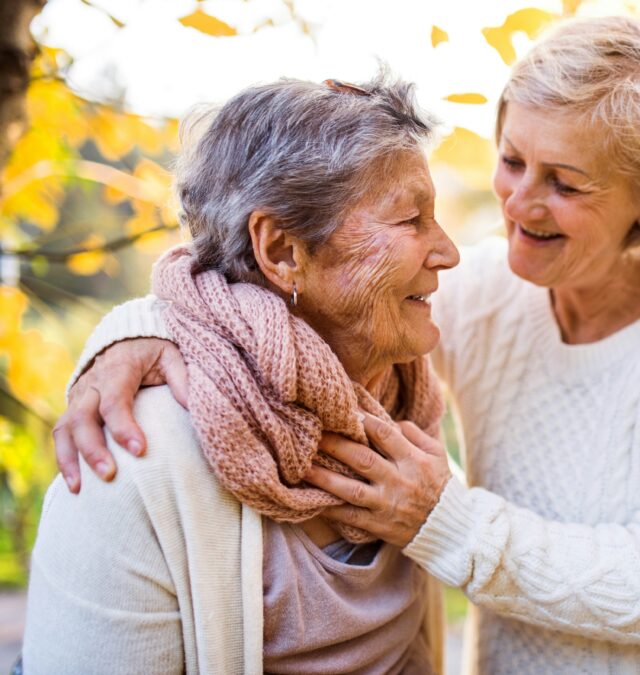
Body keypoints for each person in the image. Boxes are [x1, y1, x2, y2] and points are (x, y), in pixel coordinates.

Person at [54, 16, 640, 674]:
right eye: (511, 160)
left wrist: (444, 520)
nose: (519, 202)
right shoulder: (488, 292)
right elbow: (292, 296)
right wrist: (137, 331)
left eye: (566, 183)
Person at [24, 73, 461, 674]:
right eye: (411, 220)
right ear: (282, 252)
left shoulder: (403, 404)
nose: (448, 251)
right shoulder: (131, 465)